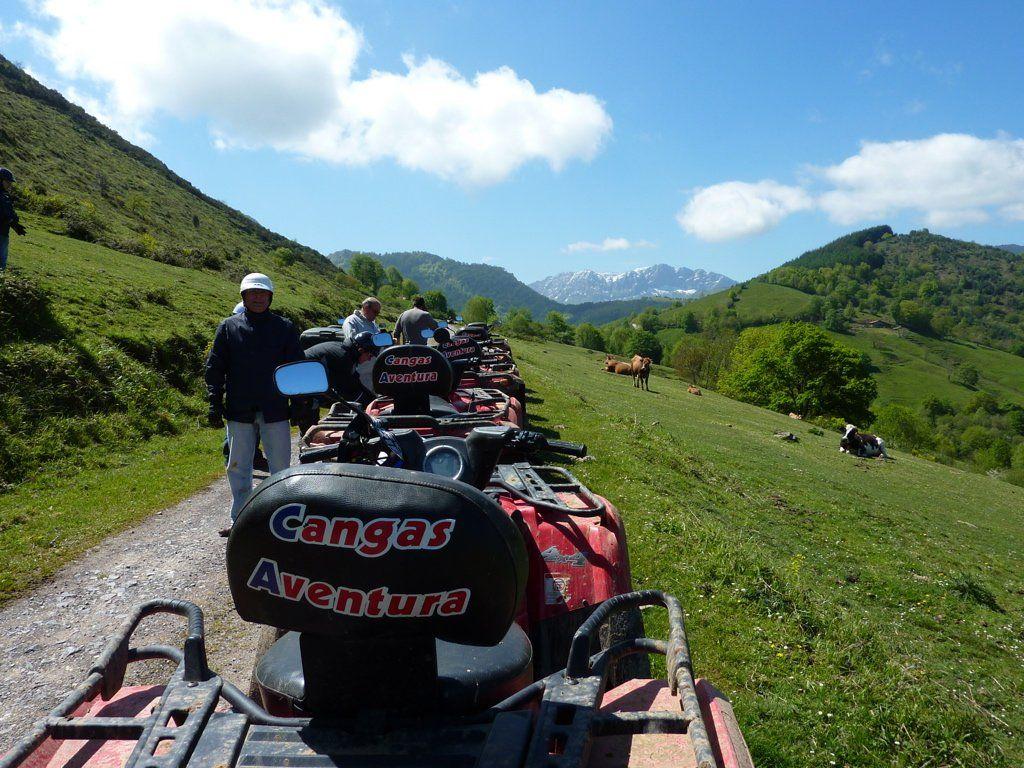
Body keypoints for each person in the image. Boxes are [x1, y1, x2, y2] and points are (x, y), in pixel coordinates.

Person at [205, 273, 303, 534]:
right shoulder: (228, 327)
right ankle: (241, 520)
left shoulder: (284, 327)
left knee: (280, 466)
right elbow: (216, 367)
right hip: (240, 408)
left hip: (276, 408)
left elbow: (296, 367)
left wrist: (302, 405)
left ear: (270, 297)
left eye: (262, 293)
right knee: (238, 466)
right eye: (252, 293)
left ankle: (282, 518)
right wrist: (214, 400)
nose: (258, 297)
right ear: (243, 296)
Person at [297, 331, 387, 434]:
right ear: (361, 350)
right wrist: (371, 407)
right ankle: (309, 444)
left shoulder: (346, 352)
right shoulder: (342, 357)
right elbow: (349, 392)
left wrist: (375, 400)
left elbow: (356, 383)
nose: (370, 359)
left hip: (311, 382)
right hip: (301, 385)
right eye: (370, 355)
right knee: (312, 426)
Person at [0, 168, 27, 271]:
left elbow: (10, 213)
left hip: (3, 233)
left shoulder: (5, 196)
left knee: (2, 263)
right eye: (7, 182)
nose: (10, 185)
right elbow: (5, 215)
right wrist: (12, 222)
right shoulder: (2, 196)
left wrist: (15, 225)